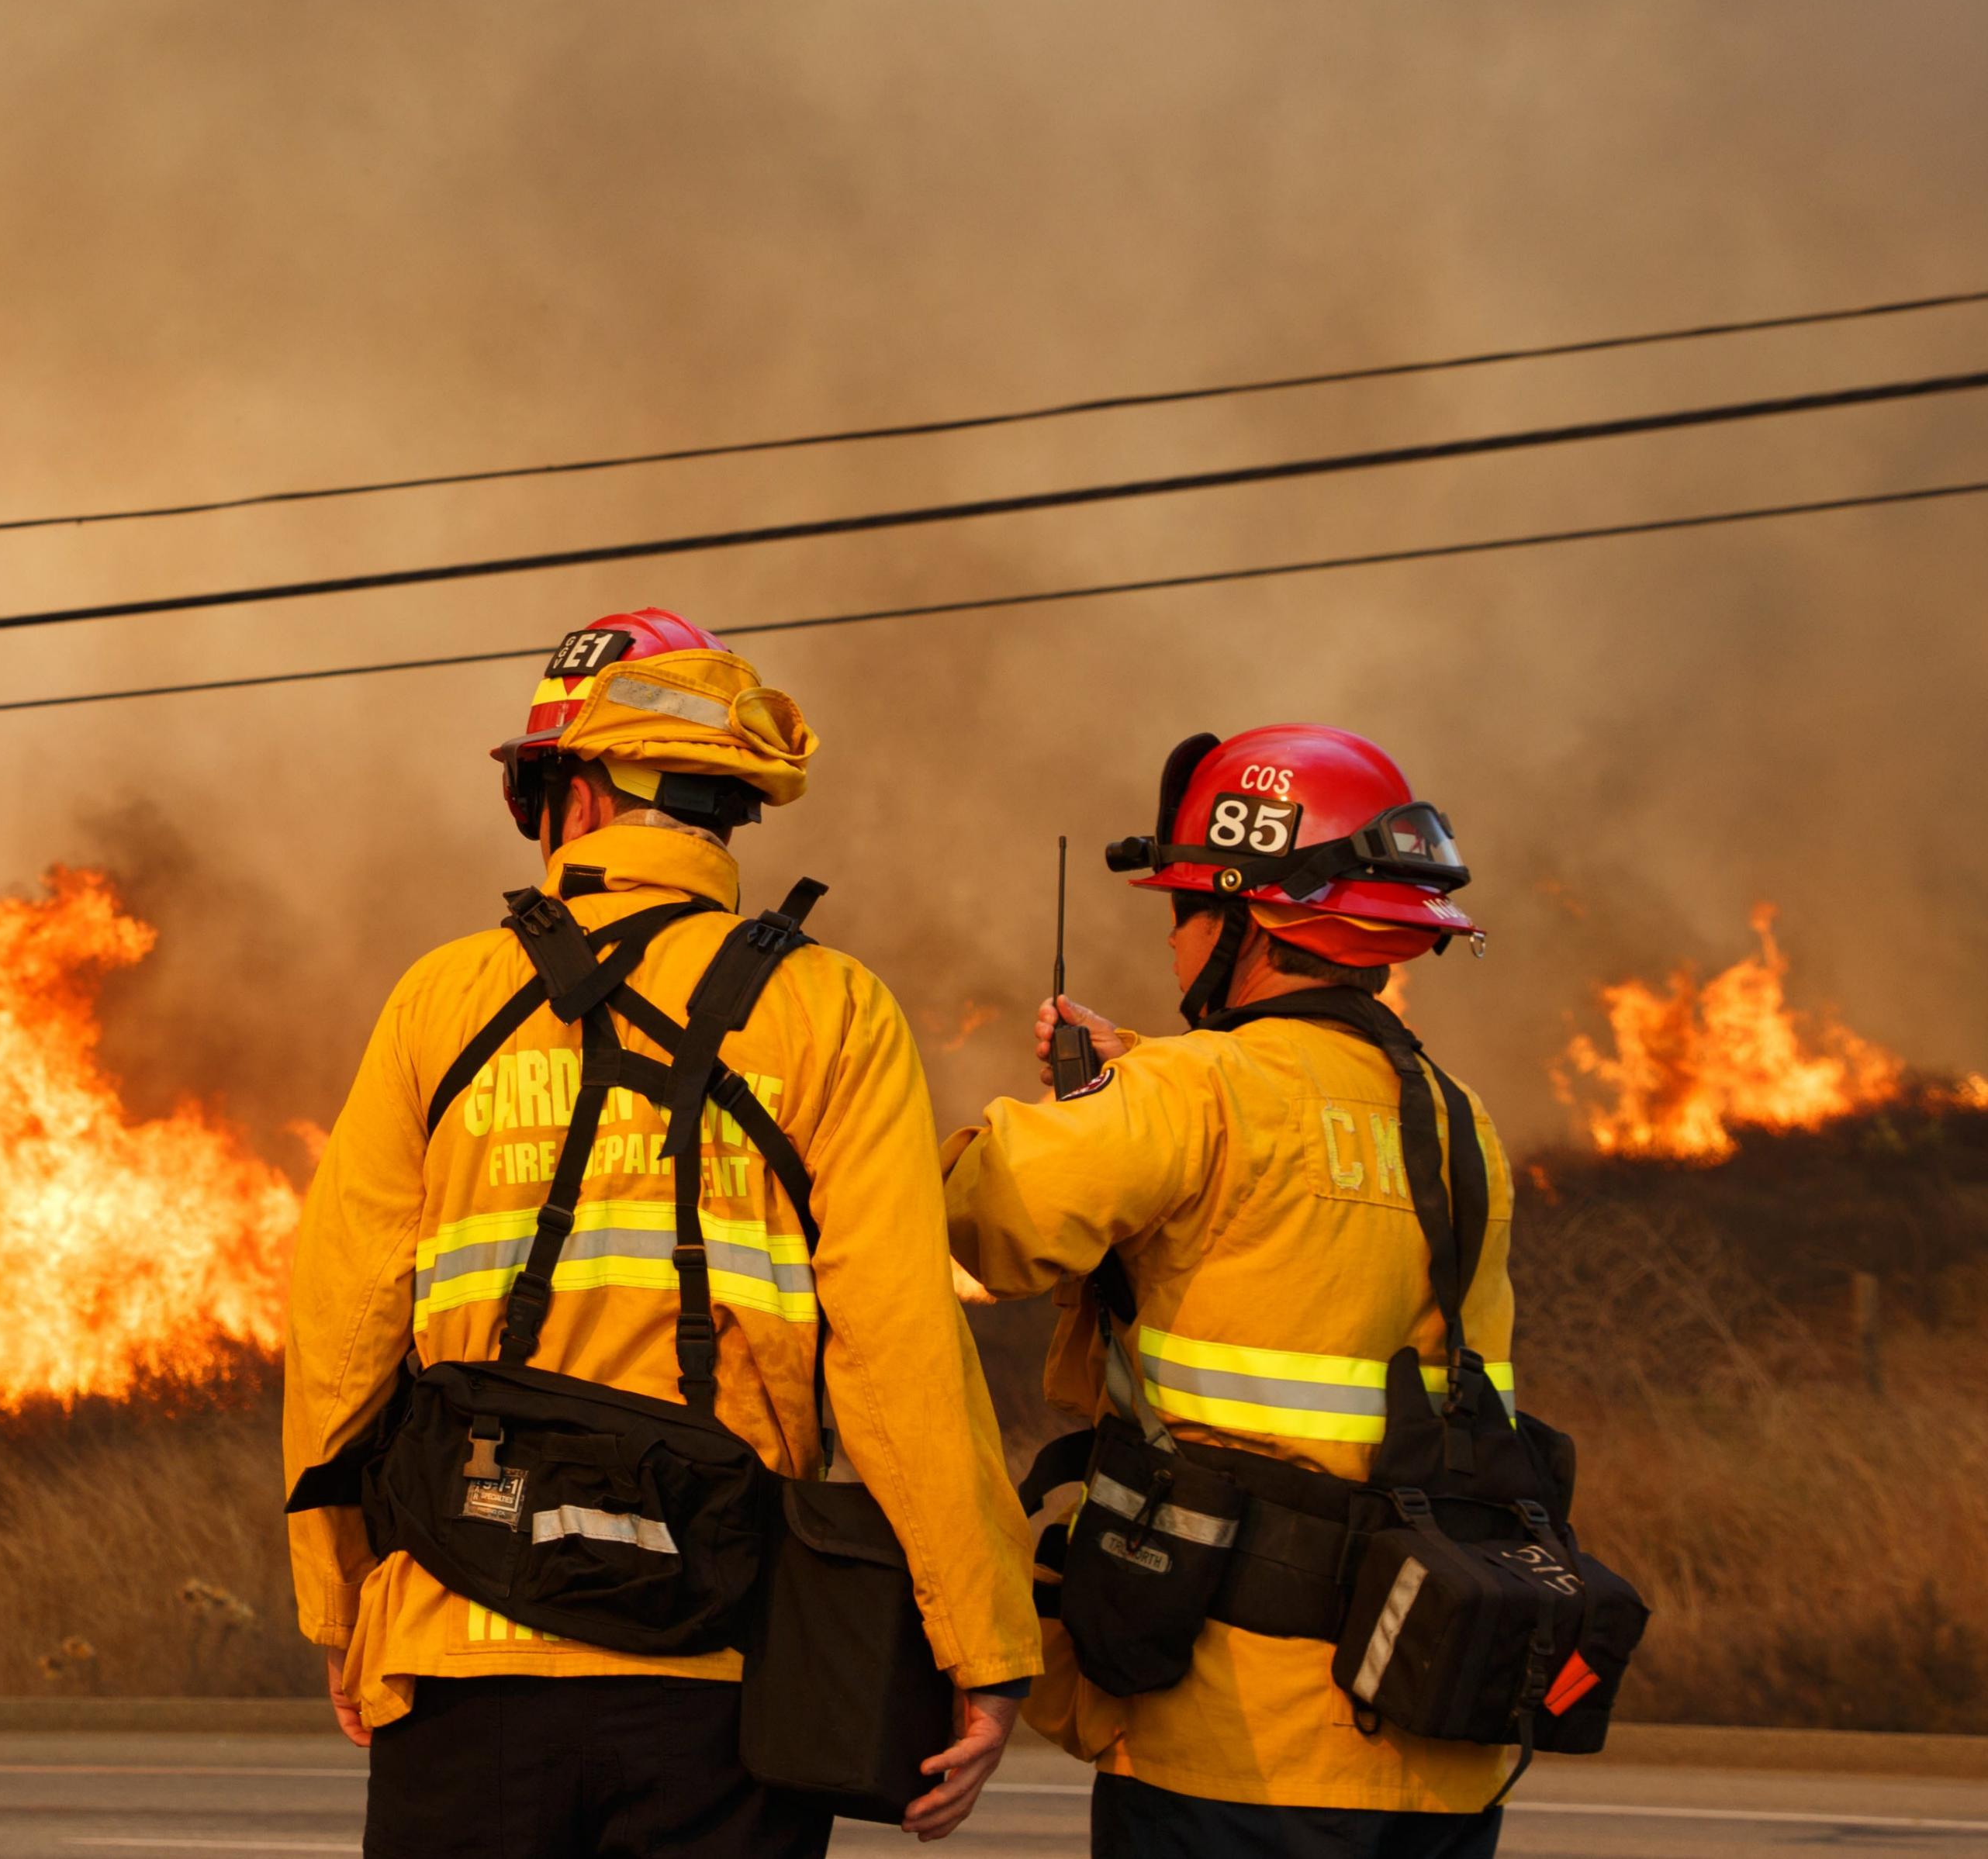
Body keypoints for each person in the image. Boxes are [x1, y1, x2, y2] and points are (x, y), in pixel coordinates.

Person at [284, 611, 1040, 1858]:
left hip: (456, 1647)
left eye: (533, 784)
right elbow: (899, 1347)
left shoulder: (443, 999)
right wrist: (982, 1638)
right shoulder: (830, 1008)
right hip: (722, 1671)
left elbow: (343, 1325)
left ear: (577, 791)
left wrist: (343, 1597)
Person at [943, 724, 1518, 1858]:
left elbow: (979, 1228)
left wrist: (1100, 1103)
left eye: (1181, 909)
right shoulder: (1461, 1119)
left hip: (1237, 1741)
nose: (1173, 942)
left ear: (1245, 916)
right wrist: (1138, 1082)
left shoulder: (1194, 1090)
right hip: (1436, 1736)